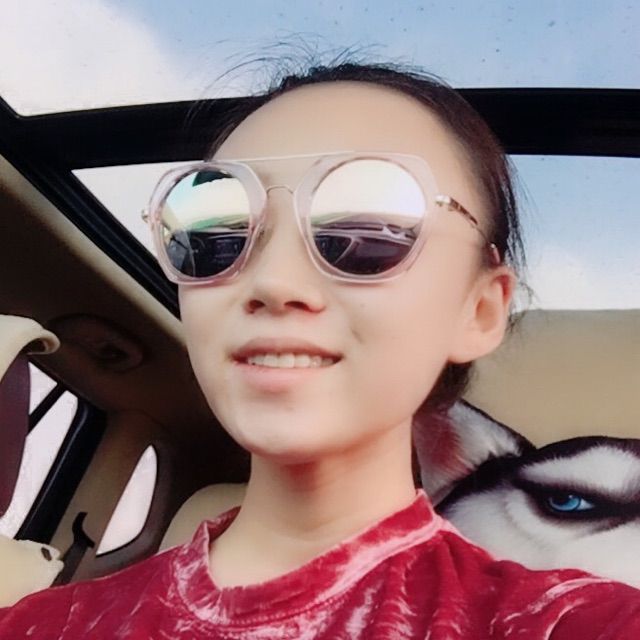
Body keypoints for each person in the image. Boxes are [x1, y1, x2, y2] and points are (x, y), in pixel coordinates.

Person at [1, 62, 639, 639]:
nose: (272, 281)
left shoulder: (577, 622)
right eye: (215, 230)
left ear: (479, 310)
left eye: (368, 229)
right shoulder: (37, 625)